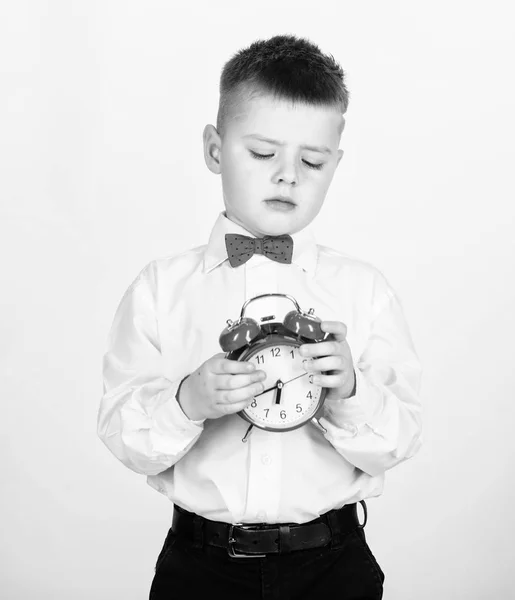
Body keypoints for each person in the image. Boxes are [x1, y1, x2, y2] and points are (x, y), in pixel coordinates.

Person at [97, 33, 422, 600]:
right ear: (215, 150)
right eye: (264, 153)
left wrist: (348, 391)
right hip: (202, 568)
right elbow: (123, 437)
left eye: (312, 160)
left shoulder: (362, 290)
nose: (288, 175)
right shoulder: (161, 289)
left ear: (335, 164)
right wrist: (186, 403)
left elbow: (400, 439)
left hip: (332, 566)